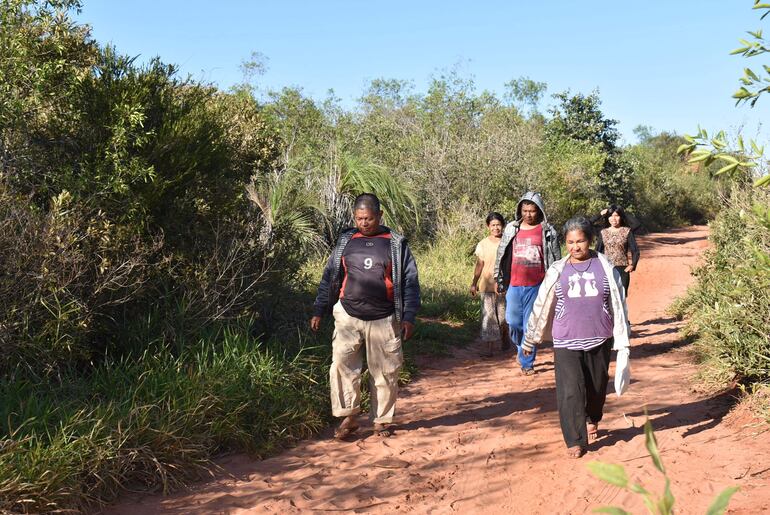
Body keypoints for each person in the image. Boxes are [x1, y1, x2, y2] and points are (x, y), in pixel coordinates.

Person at [310, 193, 420, 439]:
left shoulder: (395, 244)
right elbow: (329, 277)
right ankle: (349, 416)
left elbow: (410, 281)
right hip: (348, 316)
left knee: (385, 371)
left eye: (369, 218)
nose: (364, 223)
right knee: (342, 365)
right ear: (354, 217)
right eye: (359, 218)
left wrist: (409, 316)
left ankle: (381, 420)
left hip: (383, 317)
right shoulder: (346, 241)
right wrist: (319, 309)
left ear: (380, 215)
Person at [522, 216, 631, 458]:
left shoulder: (605, 266)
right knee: (570, 390)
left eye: (580, 241)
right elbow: (541, 304)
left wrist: (624, 337)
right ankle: (575, 439)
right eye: (570, 242)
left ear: (589, 240)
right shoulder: (557, 269)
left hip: (600, 337)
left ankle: (593, 417)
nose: (575, 247)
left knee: (596, 388)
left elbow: (619, 303)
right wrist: (530, 338)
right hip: (566, 339)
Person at [493, 192, 561, 375]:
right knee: (513, 323)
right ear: (520, 210)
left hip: (537, 285)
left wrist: (557, 281)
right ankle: (521, 346)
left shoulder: (548, 231)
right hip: (514, 284)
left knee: (530, 324)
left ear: (539, 211)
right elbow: (501, 254)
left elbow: (556, 258)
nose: (528, 214)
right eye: (525, 210)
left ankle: (527, 362)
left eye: (532, 211)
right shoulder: (511, 228)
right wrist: (497, 277)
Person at [470, 212, 510, 357]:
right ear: (488, 226)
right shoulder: (483, 244)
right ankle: (489, 349)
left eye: (498, 225)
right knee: (488, 317)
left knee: (503, 317)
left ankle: (505, 336)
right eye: (493, 225)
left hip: (504, 287)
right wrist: (474, 283)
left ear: (503, 226)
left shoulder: (508, 243)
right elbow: (479, 265)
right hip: (486, 287)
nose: (495, 228)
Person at [594, 205, 640, 296]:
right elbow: (587, 224)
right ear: (607, 218)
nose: (613, 219)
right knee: (607, 297)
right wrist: (599, 214)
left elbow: (635, 250)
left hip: (622, 270)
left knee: (621, 297)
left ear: (621, 217)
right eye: (611, 216)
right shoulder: (603, 232)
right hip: (606, 269)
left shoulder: (627, 231)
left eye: (616, 215)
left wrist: (632, 264)